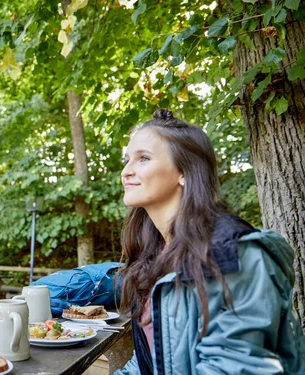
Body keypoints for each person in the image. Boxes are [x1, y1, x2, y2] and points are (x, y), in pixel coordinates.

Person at [115, 109, 305, 375]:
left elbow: (236, 368)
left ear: (184, 172)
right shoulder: (153, 256)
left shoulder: (234, 253)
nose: (126, 172)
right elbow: (151, 359)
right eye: (127, 160)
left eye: (143, 158)